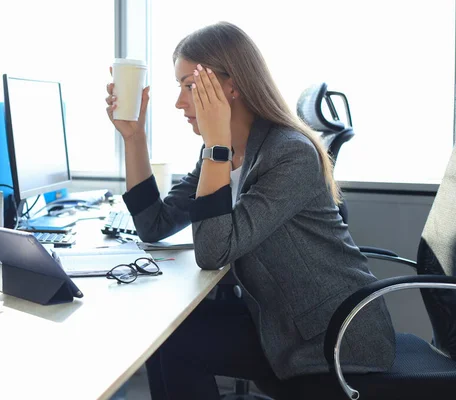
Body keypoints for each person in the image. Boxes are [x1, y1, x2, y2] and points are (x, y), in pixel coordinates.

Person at [104, 21, 396, 399]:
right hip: (277, 320)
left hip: (331, 337)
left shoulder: (289, 153)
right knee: (165, 338)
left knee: (178, 345)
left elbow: (212, 252)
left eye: (189, 86)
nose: (179, 102)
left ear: (232, 86)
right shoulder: (228, 149)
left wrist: (216, 148)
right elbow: (153, 225)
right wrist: (134, 138)